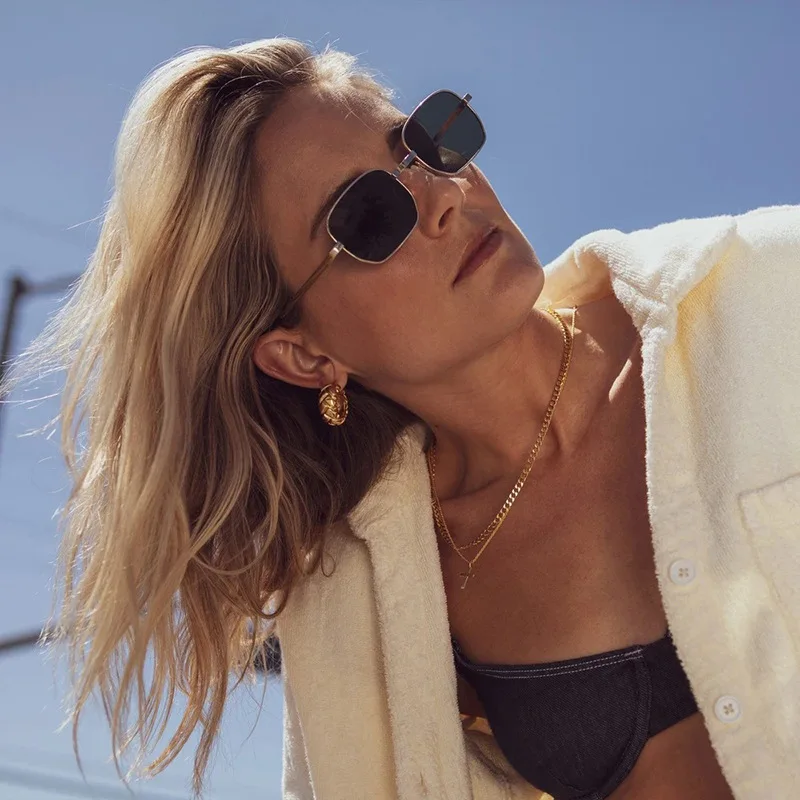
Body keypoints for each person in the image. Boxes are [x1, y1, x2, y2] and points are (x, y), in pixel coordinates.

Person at [2, 36, 798, 800]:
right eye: (368, 217)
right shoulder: (387, 582)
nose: (446, 197)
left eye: (425, 146)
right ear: (304, 356)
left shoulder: (768, 292)